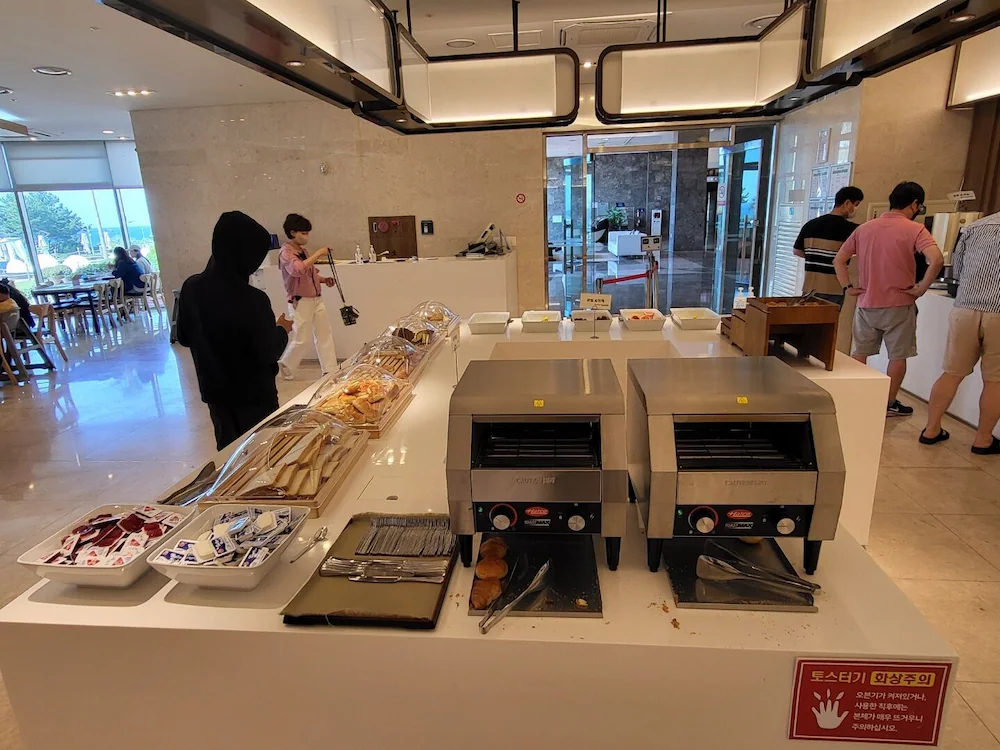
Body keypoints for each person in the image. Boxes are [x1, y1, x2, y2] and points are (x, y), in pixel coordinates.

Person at [176, 211, 294, 450]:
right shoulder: (252, 299)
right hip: (254, 396)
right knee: (261, 453)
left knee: (229, 455)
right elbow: (268, 351)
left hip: (215, 392)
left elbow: (184, 337)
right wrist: (282, 329)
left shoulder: (191, 288)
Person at [833, 181, 944, 417]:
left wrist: (848, 286)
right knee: (897, 356)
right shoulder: (916, 229)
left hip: (866, 303)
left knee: (860, 353)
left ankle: (855, 398)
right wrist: (921, 288)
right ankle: (888, 403)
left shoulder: (864, 229)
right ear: (914, 204)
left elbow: (839, 259)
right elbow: (936, 259)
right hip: (899, 304)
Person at [920, 211, 1000, 454]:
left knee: (951, 373)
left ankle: (931, 429)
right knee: (995, 381)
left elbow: (957, 270)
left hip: (964, 308)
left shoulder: (976, 227)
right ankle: (983, 440)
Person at [276, 213, 338, 379]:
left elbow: (310, 274)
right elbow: (297, 270)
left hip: (316, 298)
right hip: (300, 300)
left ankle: (330, 369)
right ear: (292, 232)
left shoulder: (303, 251)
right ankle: (286, 366)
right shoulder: (286, 252)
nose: (306, 237)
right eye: (303, 233)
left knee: (324, 333)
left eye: (307, 233)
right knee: (302, 338)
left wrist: (324, 280)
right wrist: (318, 254)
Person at [794, 185, 865, 306]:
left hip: (810, 287)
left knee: (807, 317)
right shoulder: (852, 229)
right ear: (847, 203)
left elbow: (797, 251)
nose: (855, 209)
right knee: (830, 318)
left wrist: (816, 257)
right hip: (834, 288)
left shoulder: (810, 225)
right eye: (856, 204)